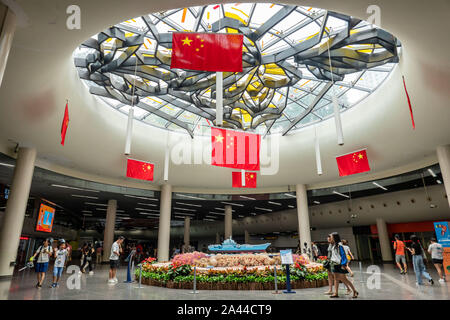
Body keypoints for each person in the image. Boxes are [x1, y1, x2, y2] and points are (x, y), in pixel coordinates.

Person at [328, 232, 358, 298]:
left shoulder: (339, 245)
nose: (330, 238)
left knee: (344, 279)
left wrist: (343, 264)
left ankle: (354, 291)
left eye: (331, 237)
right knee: (336, 279)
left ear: (335, 237)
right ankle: (336, 293)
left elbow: (343, 255)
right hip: (334, 264)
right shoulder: (334, 245)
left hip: (340, 264)